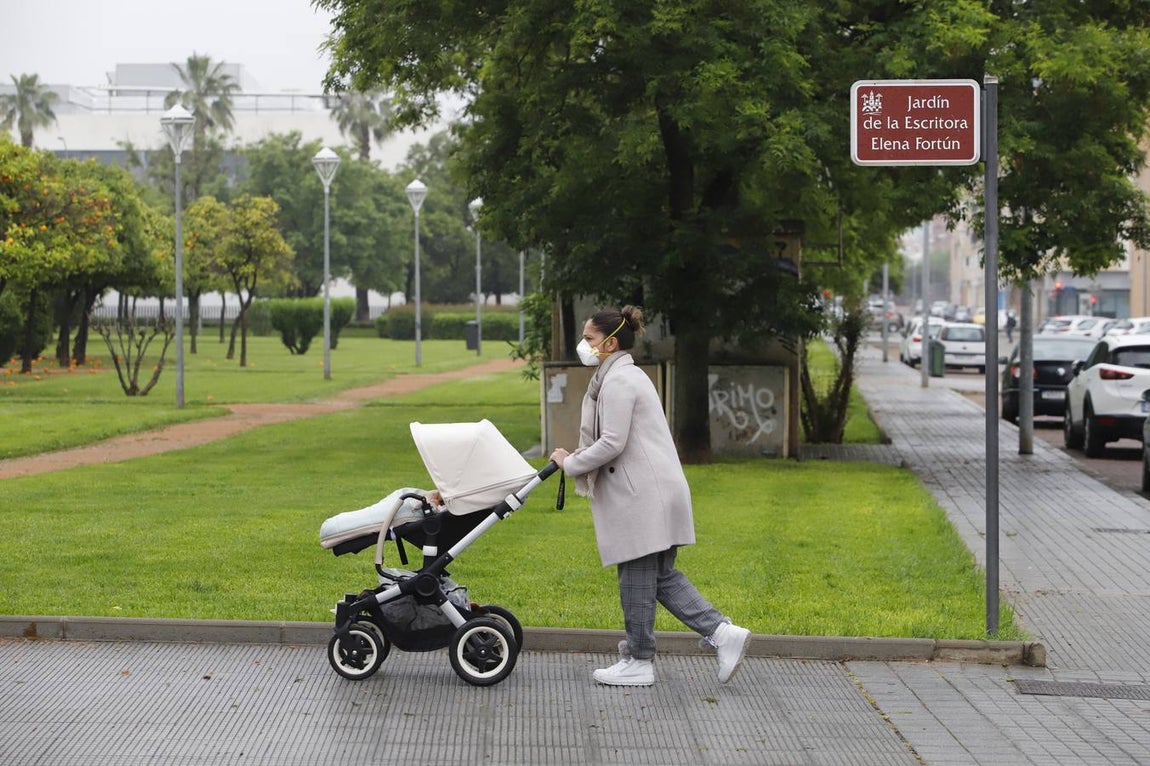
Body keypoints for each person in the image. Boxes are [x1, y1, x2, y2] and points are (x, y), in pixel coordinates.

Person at [549, 305, 751, 687]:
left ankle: (639, 660)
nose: (584, 345)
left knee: (636, 580)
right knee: (659, 578)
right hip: (651, 491)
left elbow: (612, 441)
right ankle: (723, 634)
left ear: (610, 343)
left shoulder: (620, 381)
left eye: (589, 339)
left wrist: (571, 462)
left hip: (641, 495)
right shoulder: (622, 376)